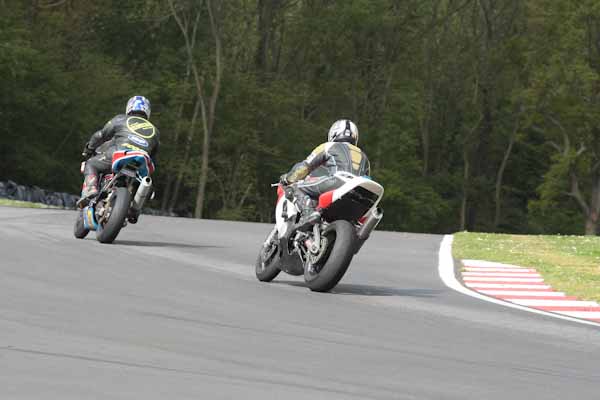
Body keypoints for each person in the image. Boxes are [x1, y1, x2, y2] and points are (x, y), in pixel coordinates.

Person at [280, 119, 370, 228]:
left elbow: (304, 167)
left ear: (334, 133)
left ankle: (308, 213)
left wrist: (288, 179)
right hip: (359, 192)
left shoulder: (329, 146)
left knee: (294, 187)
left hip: (338, 181)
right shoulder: (364, 156)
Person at [78, 95, 160, 208]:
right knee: (146, 185)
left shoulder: (120, 119)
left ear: (129, 107)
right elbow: (154, 157)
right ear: (148, 111)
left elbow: (100, 135)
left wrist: (89, 148)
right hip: (142, 160)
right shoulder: (155, 131)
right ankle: (135, 207)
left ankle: (90, 188)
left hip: (119, 154)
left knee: (91, 163)